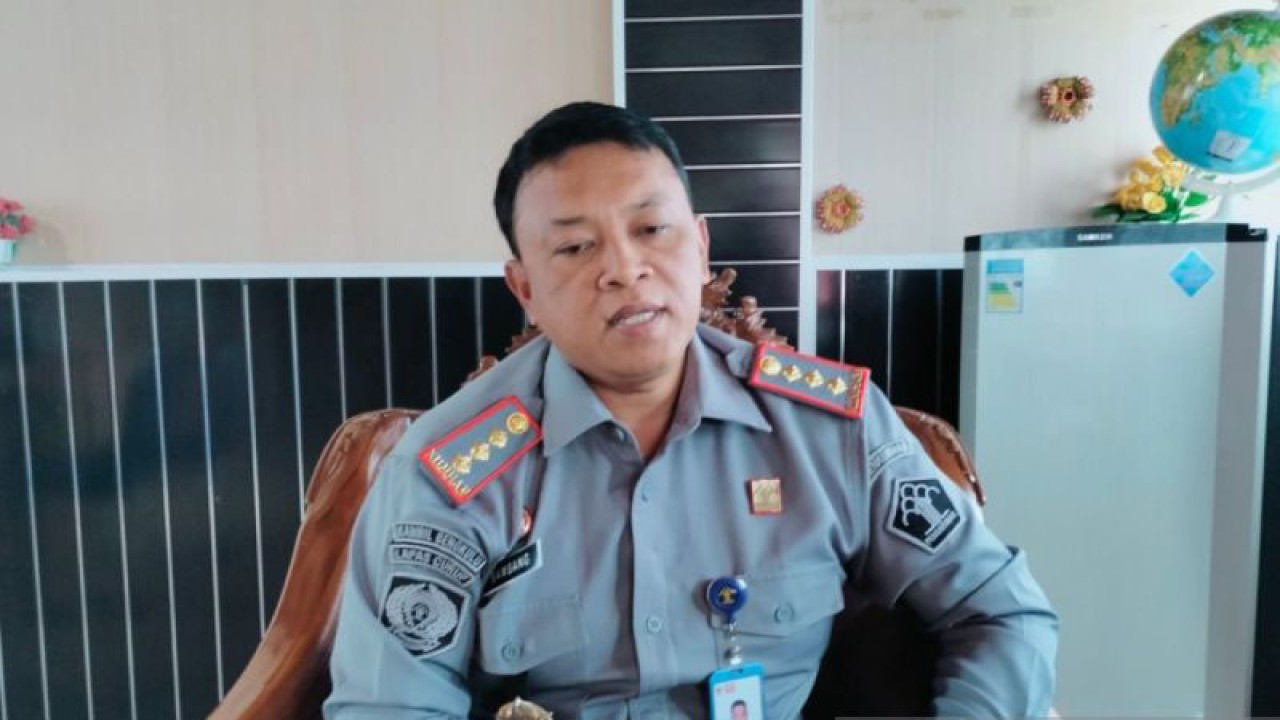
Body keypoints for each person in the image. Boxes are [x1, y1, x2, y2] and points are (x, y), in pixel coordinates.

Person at [324, 101, 1058, 719]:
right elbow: (390, 705)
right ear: (525, 290)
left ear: (701, 249)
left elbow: (1001, 610)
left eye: (652, 230)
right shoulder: (448, 470)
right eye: (575, 247)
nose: (624, 269)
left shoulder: (829, 428)